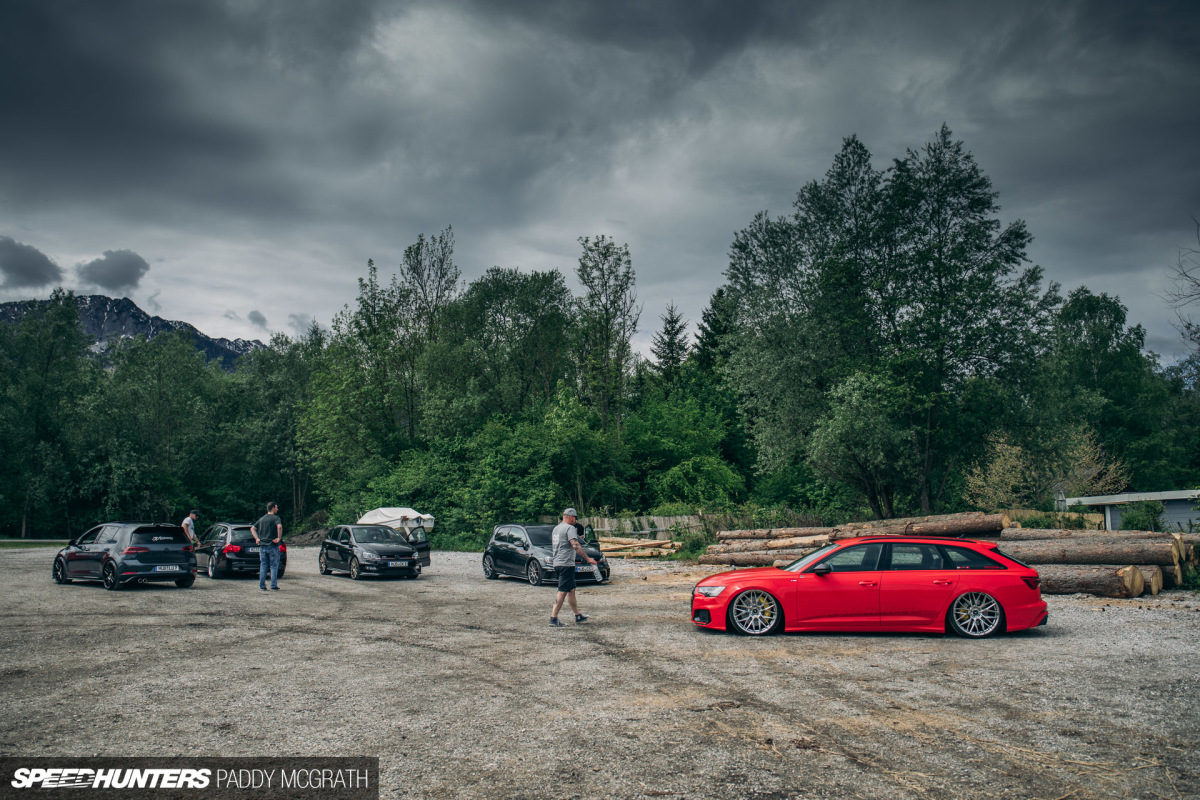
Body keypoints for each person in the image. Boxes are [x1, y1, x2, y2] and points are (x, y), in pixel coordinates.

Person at [549, 508, 597, 627]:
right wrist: (587, 558)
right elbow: (575, 545)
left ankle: (577, 615)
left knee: (571, 590)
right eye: (575, 517)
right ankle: (553, 618)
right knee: (562, 591)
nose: (576, 520)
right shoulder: (569, 528)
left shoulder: (556, 528)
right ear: (570, 517)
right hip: (566, 564)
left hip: (558, 563)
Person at [252, 502, 283, 591]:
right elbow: (279, 527)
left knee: (263, 565)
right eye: (276, 507)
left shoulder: (262, 519)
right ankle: (273, 585)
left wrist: (257, 538)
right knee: (273, 566)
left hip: (262, 545)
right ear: (273, 508)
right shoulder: (276, 518)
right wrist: (279, 538)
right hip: (272, 545)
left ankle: (262, 585)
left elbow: (252, 528)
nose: (277, 509)